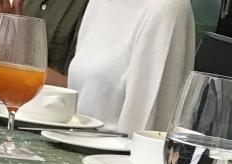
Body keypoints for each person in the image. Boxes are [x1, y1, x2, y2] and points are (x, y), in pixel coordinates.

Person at [67, 0, 195, 134]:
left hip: (114, 146)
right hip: (69, 137)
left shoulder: (168, 7)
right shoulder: (98, 3)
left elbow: (147, 130)